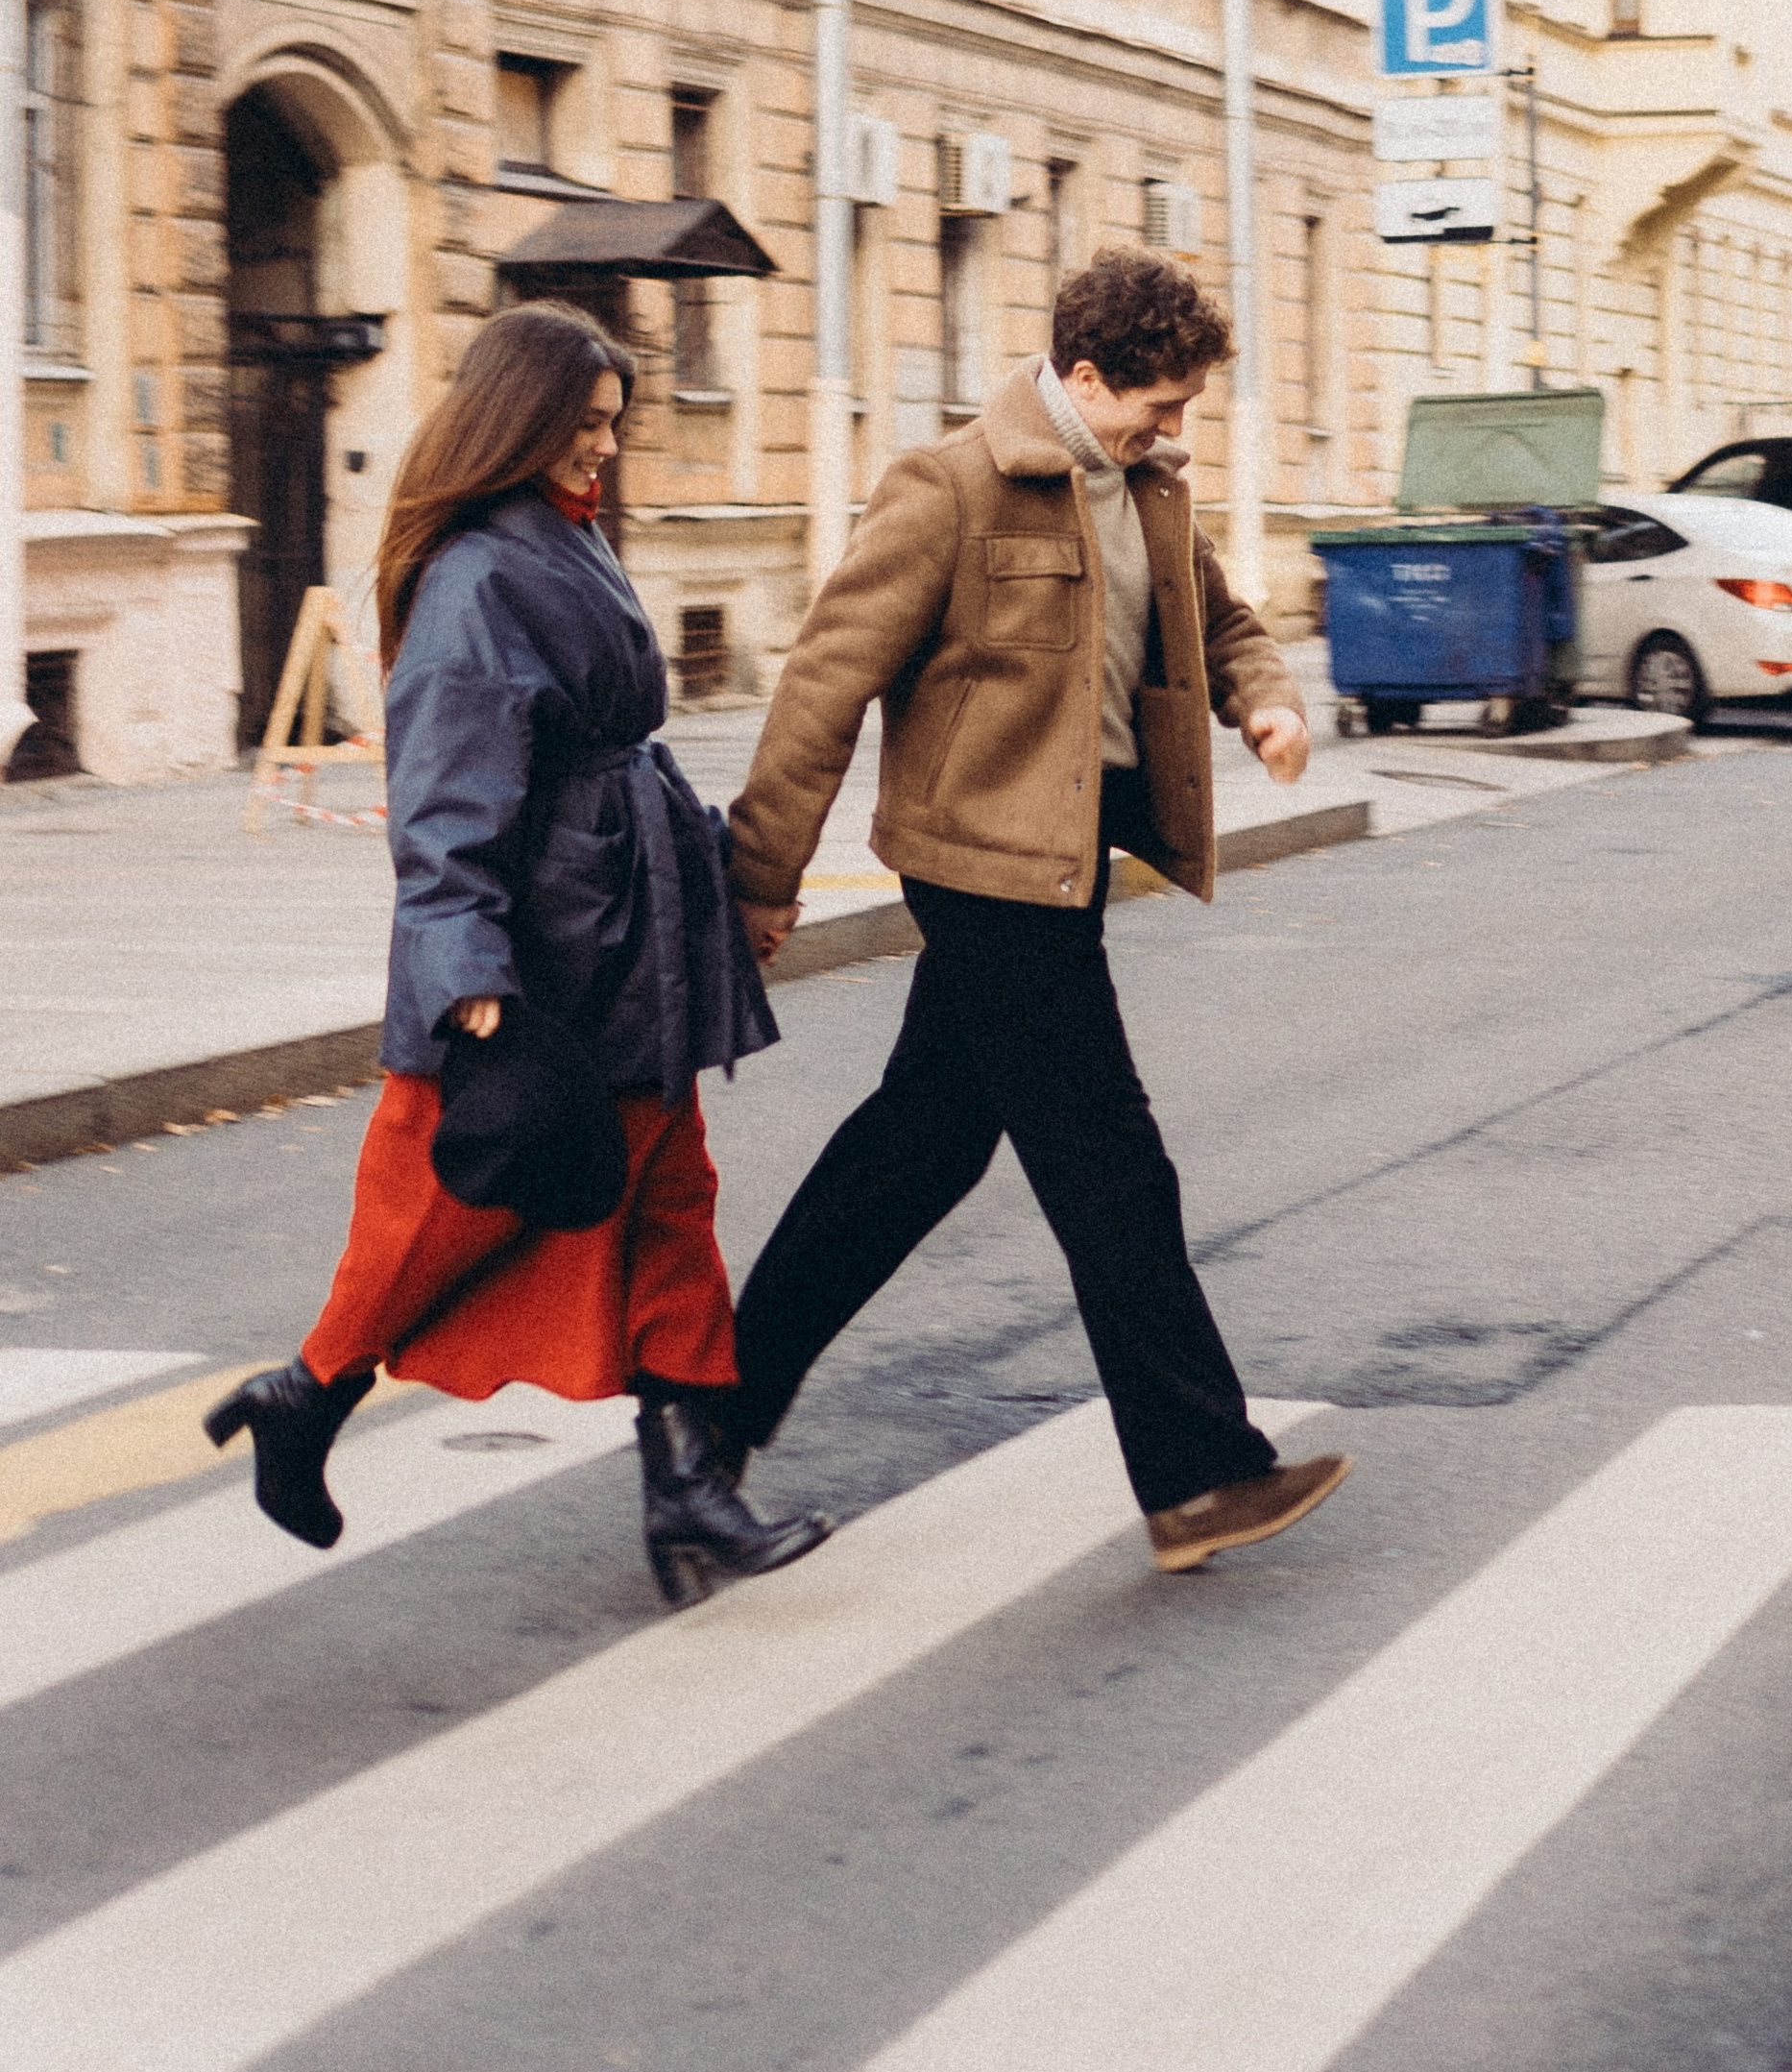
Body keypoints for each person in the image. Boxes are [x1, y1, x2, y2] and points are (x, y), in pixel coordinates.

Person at [720, 248, 1351, 1572]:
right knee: (1111, 1164)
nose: (1175, 431)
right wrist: (760, 879)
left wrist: (1268, 700)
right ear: (1080, 378)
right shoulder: (951, 488)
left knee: (918, 1147)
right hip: (981, 867)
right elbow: (824, 685)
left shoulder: (1151, 490)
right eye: (1157, 405)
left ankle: (708, 1408)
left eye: (1182, 409)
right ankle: (1197, 1478)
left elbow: (1225, 623)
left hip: (1065, 867)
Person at [205, 301, 829, 1608]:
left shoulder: (560, 538)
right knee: (437, 1209)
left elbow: (612, 756)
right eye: (586, 426)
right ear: (523, 421)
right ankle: (307, 1398)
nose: (606, 447)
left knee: (670, 1200)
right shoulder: (479, 573)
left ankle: (689, 1489)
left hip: (625, 931)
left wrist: (713, 878)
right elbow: (442, 800)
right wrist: (469, 977)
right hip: (536, 954)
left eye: (613, 425)